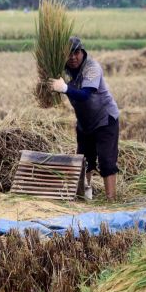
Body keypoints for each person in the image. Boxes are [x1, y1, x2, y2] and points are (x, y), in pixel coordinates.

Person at [49, 36, 120, 201]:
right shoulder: (62, 70)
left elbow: (85, 95)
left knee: (106, 161)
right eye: (69, 54)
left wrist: (64, 88)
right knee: (83, 161)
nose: (73, 57)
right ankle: (85, 197)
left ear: (82, 51)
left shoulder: (92, 67)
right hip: (84, 122)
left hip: (105, 119)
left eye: (77, 52)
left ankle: (111, 202)